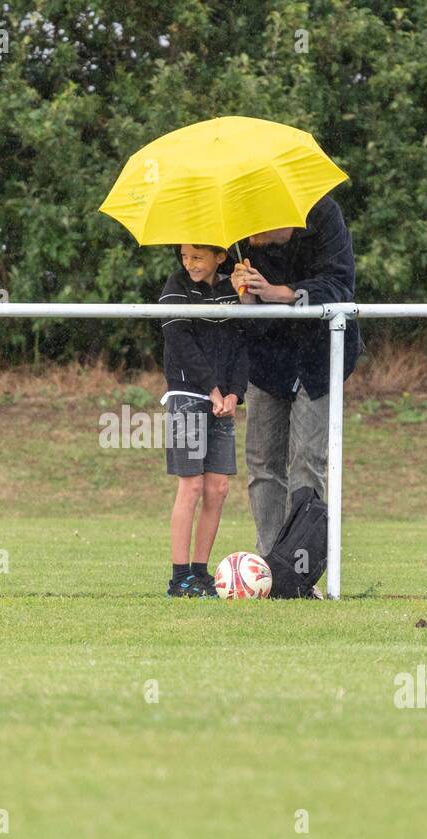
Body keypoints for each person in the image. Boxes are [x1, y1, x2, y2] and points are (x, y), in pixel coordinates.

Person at [232, 194, 360, 568]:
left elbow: (341, 284)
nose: (249, 235)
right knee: (262, 461)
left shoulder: (323, 214)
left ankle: (299, 568)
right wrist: (244, 291)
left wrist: (279, 293)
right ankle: (270, 564)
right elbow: (241, 309)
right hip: (267, 358)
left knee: (307, 460)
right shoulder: (239, 229)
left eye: (258, 227)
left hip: (320, 356)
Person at [157, 244, 249, 597]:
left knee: (218, 489)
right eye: (184, 256)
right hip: (189, 397)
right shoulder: (175, 286)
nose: (189, 263)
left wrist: (233, 394)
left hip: (222, 401)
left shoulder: (232, 291)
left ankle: (200, 573)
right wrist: (211, 389)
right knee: (191, 486)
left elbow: (244, 344)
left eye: (197, 257)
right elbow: (180, 342)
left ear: (220, 257)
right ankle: (179, 578)